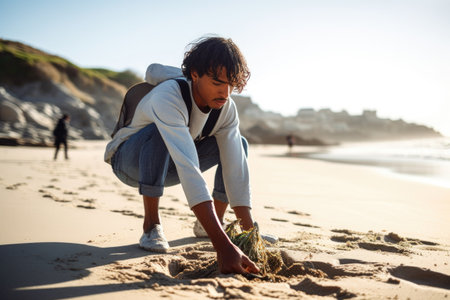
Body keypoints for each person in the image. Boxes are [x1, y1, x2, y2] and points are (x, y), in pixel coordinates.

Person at [104, 36, 262, 275]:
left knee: (239, 144)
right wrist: (222, 246)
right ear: (195, 75)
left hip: (169, 165)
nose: (225, 91)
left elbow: (235, 169)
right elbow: (189, 169)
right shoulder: (169, 95)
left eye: (230, 83)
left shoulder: (227, 108)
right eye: (218, 82)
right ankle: (151, 225)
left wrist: (250, 235)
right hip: (129, 162)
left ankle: (210, 224)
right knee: (157, 133)